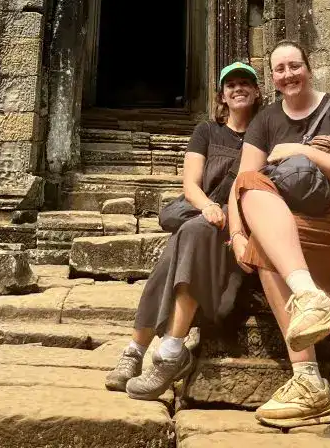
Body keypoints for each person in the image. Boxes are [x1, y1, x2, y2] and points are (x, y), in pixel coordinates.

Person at [228, 39, 330, 430]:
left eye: (294, 66)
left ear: (308, 68)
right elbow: (241, 183)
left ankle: (309, 382)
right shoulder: (266, 120)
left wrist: (308, 152)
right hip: (299, 225)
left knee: (267, 244)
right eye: (279, 69)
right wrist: (237, 234)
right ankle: (308, 299)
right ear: (273, 78)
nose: (288, 75)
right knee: (253, 198)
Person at [105, 61, 263, 400]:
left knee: (186, 237)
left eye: (245, 83)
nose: (238, 88)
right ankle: (141, 351)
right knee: (184, 240)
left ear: (256, 91)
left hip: (242, 219)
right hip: (204, 212)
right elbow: (190, 184)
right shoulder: (206, 132)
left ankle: (164, 352)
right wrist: (207, 206)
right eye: (231, 84)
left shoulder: (265, 133)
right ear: (222, 95)